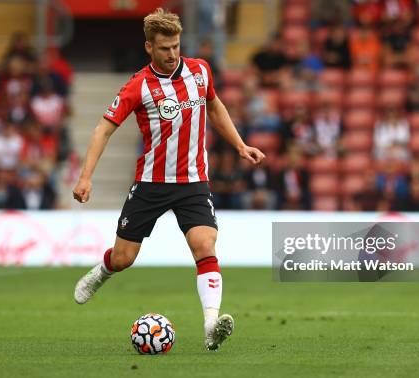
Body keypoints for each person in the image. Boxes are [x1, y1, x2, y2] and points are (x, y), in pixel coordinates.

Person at [71, 8, 265, 351]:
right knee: (123, 258)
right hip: (151, 183)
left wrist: (239, 144)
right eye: (164, 48)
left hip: (193, 181)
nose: (172, 53)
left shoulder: (200, 71)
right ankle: (101, 273)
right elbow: (104, 129)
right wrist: (86, 177)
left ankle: (210, 324)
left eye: (175, 46)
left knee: (205, 245)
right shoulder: (138, 86)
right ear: (149, 47)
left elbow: (215, 106)